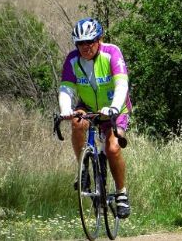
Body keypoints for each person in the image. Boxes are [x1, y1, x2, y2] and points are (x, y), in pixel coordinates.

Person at [58, 18, 132, 219]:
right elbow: (66, 88)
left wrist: (115, 107)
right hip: (89, 106)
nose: (85, 47)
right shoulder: (73, 60)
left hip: (115, 108)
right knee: (77, 121)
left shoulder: (112, 53)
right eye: (80, 43)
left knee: (113, 148)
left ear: (99, 39)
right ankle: (83, 167)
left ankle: (121, 193)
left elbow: (122, 84)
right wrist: (65, 109)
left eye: (90, 41)